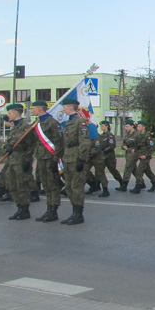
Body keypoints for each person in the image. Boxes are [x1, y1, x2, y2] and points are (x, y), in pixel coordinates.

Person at [59, 96, 91, 225]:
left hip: (76, 157)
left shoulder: (80, 122)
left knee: (76, 186)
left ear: (70, 107)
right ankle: (74, 212)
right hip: (67, 157)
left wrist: (81, 159)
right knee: (69, 186)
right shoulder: (69, 122)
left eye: (65, 107)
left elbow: (84, 142)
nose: (63, 109)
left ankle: (78, 214)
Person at [31, 101, 64, 222]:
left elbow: (59, 142)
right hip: (41, 157)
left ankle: (54, 210)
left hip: (50, 157)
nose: (32, 110)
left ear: (40, 109)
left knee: (52, 184)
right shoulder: (38, 123)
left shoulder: (53, 123)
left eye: (33, 108)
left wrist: (55, 160)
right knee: (45, 184)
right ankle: (48, 208)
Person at [2, 103, 36, 220]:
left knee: (21, 185)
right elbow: (9, 142)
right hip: (12, 159)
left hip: (21, 160)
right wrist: (6, 147)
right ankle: (19, 207)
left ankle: (25, 209)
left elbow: (31, 146)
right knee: (12, 185)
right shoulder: (14, 127)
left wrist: (27, 160)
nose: (8, 115)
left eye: (10, 113)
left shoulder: (26, 128)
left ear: (16, 113)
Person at [95, 120, 123, 196]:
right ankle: (97, 185)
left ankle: (121, 183)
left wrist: (104, 150)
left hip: (109, 156)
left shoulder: (109, 135)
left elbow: (112, 146)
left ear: (107, 126)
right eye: (101, 126)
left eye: (103, 125)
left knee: (113, 170)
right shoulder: (101, 135)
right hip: (102, 157)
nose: (102, 127)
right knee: (99, 171)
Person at [130, 121, 155, 193]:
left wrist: (146, 155)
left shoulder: (147, 136)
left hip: (145, 156)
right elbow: (138, 145)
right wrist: (135, 149)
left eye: (139, 126)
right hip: (140, 155)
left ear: (144, 127)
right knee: (147, 171)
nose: (138, 128)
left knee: (139, 171)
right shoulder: (139, 135)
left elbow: (151, 147)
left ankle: (138, 186)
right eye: (137, 126)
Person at [117, 119, 139, 192]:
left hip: (133, 154)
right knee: (133, 169)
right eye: (125, 126)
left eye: (127, 126)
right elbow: (124, 143)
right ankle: (141, 182)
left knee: (128, 168)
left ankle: (124, 185)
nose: (126, 128)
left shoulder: (137, 134)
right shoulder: (127, 134)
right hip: (128, 153)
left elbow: (140, 144)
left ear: (132, 126)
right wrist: (123, 146)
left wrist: (133, 149)